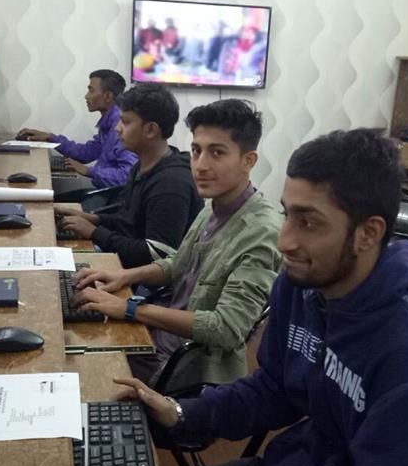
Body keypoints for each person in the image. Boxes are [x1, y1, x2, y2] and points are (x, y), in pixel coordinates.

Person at [114, 129, 408, 466]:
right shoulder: (301, 285)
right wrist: (181, 412)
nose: (284, 241)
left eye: (308, 222)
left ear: (368, 233)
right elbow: (274, 389)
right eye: (287, 214)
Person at [72, 99, 281, 388]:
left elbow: (225, 328)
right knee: (72, 335)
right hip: (158, 335)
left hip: (184, 367)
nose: (201, 165)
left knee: (78, 370)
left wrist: (130, 309)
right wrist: (123, 276)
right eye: (196, 151)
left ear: (249, 160)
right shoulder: (214, 206)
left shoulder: (262, 232)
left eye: (217, 153)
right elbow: (179, 264)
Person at [56, 83, 202, 269]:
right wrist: (93, 218)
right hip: (124, 261)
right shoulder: (142, 166)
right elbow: (129, 222)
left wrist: (94, 232)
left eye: (125, 122)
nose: (117, 129)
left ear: (151, 130)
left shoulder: (171, 184)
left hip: (141, 279)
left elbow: (156, 255)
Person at [18, 69, 136, 188]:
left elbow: (127, 176)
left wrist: (87, 170)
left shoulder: (120, 127)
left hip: (114, 196)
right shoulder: (108, 122)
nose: (86, 96)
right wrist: (50, 137)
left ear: (107, 96)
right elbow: (86, 153)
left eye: (91, 90)